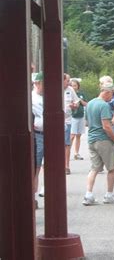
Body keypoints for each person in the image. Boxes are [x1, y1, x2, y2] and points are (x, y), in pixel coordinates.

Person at [82, 82, 114, 206]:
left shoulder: (90, 103)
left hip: (91, 139)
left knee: (94, 168)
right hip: (103, 140)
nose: (112, 97)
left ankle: (88, 194)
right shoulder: (104, 105)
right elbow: (106, 126)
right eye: (112, 94)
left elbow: (86, 123)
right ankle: (109, 195)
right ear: (107, 92)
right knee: (111, 168)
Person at [32, 71, 44, 209]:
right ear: (37, 83)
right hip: (38, 134)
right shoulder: (32, 98)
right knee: (36, 166)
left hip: (51, 134)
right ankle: (33, 196)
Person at [64, 73, 80, 174]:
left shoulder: (70, 90)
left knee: (67, 144)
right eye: (67, 80)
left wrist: (75, 105)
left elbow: (77, 101)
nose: (69, 82)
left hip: (67, 121)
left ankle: (66, 166)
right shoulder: (54, 88)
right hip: (56, 122)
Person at [70, 78, 87, 161]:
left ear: (78, 86)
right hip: (73, 117)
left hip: (81, 116)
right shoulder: (69, 94)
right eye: (72, 86)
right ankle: (67, 151)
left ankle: (76, 153)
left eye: (75, 86)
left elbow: (86, 104)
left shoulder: (81, 94)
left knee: (78, 135)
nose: (74, 87)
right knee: (72, 135)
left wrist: (80, 100)